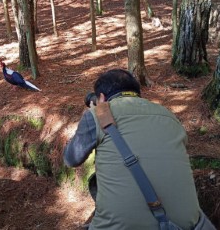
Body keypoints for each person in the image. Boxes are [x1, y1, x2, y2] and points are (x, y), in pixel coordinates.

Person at [63, 69, 201, 229]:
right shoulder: (169, 115)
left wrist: (95, 111)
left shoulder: (96, 114)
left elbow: (71, 159)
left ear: (101, 97)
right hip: (182, 224)